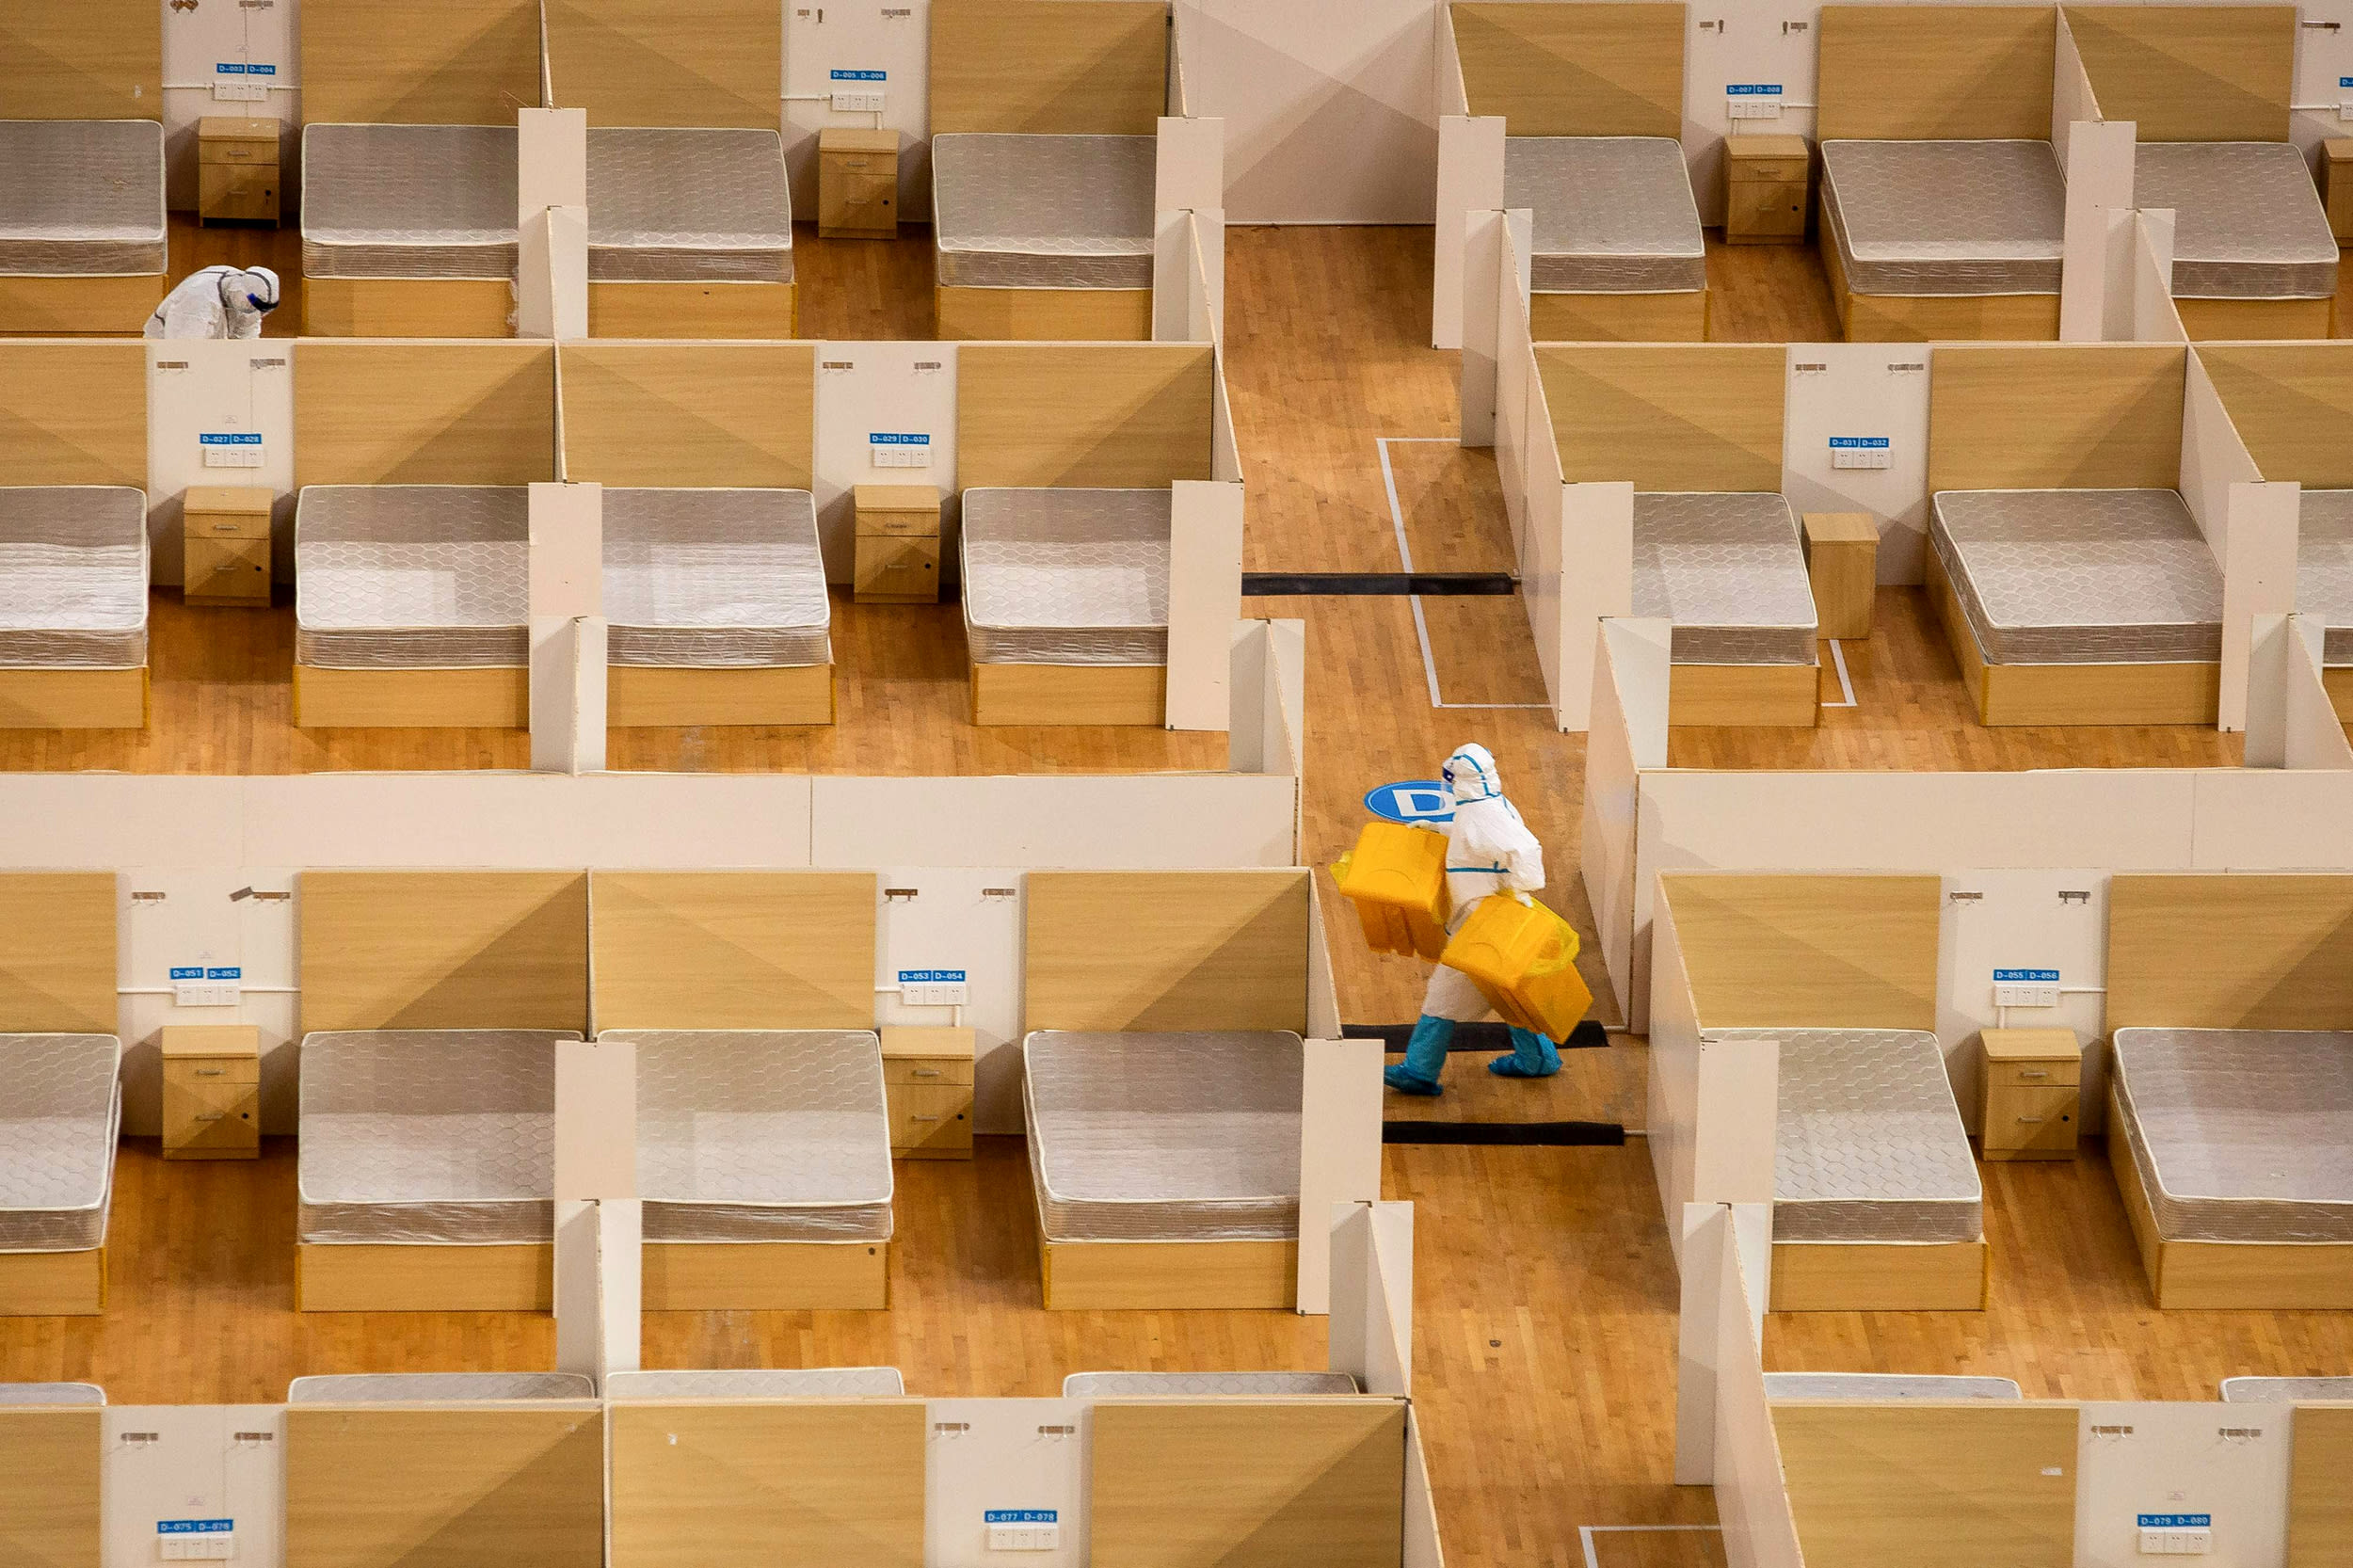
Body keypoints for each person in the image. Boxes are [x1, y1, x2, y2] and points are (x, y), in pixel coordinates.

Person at [1383, 742, 1561, 1096]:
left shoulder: (1483, 813)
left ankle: (1419, 1071)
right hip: (1492, 918)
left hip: (1481, 923)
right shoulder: (1487, 805)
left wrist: (1519, 887)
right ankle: (1538, 1059)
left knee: (1443, 995)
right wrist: (1438, 829)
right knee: (1508, 988)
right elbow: (1477, 838)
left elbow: (1525, 848)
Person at [144, 265, 281, 340]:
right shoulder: (198, 298)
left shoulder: (250, 300)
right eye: (254, 303)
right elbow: (183, 353)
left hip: (213, 356)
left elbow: (247, 337)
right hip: (167, 360)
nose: (257, 312)